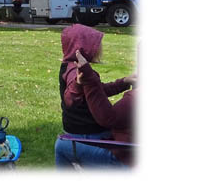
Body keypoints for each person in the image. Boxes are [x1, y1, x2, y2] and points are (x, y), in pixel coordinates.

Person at [53, 24, 135, 167]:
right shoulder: (76, 72)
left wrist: (124, 82)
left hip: (78, 130)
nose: (99, 49)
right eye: (96, 45)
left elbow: (99, 90)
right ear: (82, 47)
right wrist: (78, 84)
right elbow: (70, 99)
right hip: (88, 134)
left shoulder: (71, 67)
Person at [73, 51, 136, 166]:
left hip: (125, 158)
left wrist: (88, 78)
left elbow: (107, 117)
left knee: (61, 146)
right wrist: (124, 81)